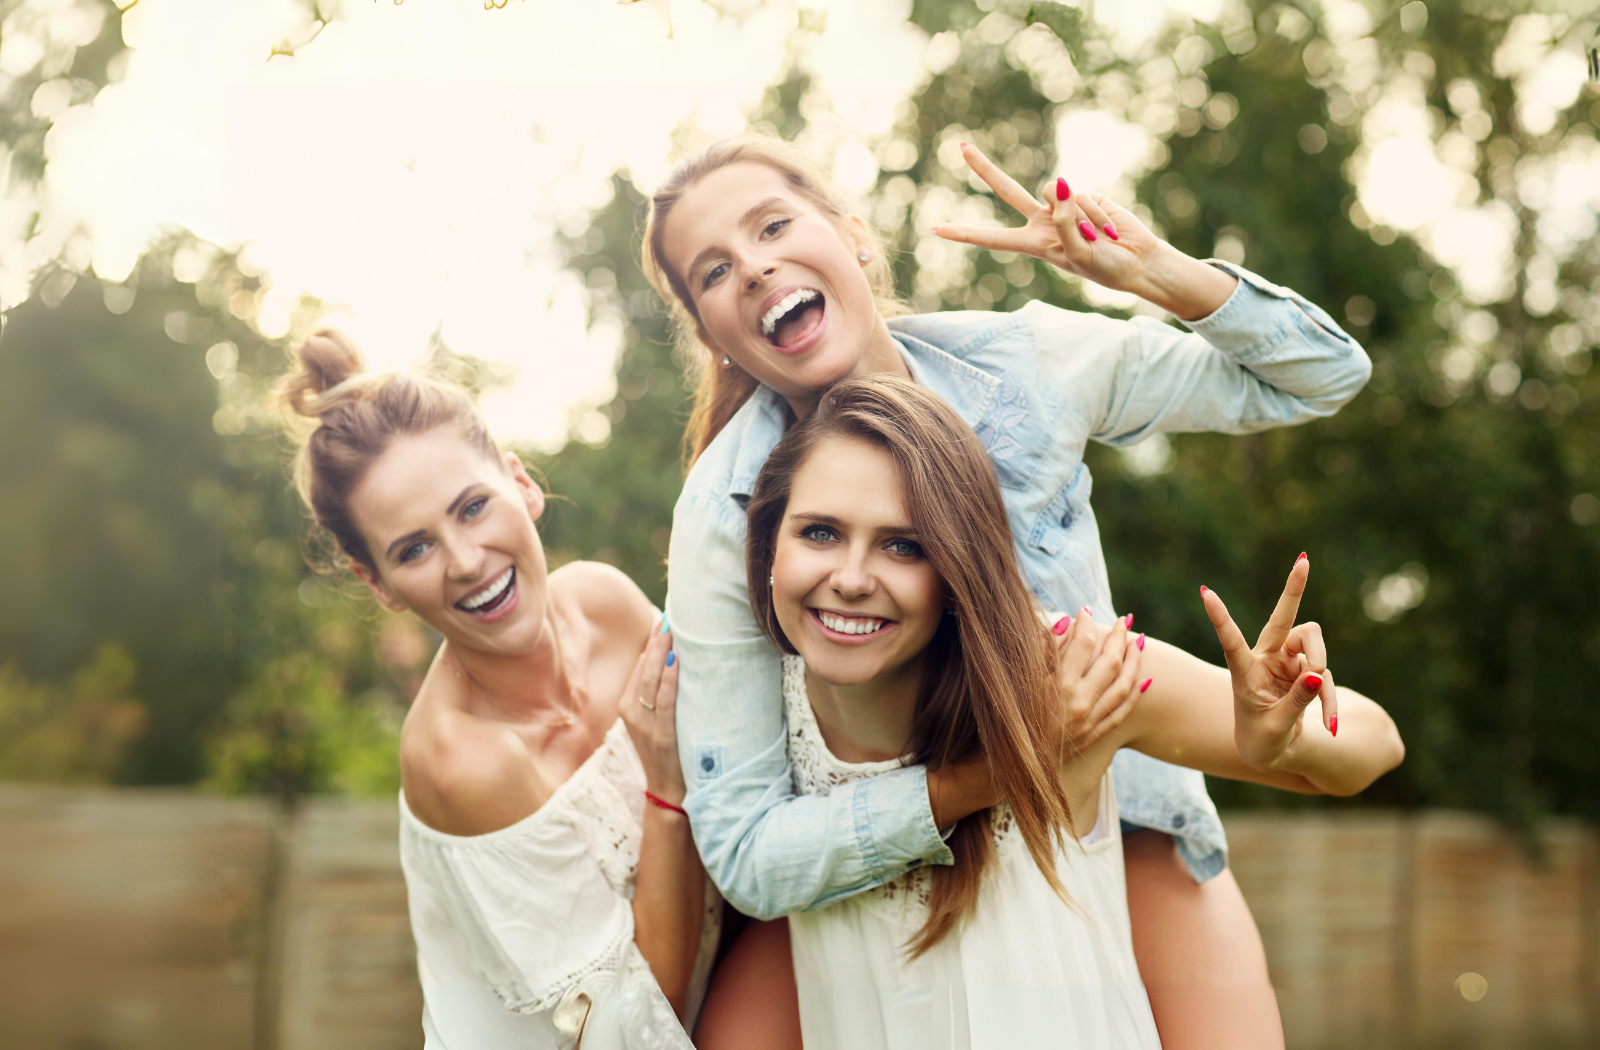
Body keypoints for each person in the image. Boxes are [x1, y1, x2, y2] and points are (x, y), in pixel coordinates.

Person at [643, 135, 1375, 1048]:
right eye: (714, 271)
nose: (753, 268)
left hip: (1106, 805)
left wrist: (1155, 271)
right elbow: (750, 842)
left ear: (855, 235)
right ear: (710, 332)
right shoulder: (724, 510)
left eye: (774, 225)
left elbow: (1325, 375)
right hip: (886, 863)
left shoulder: (1026, 365)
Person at [744, 373, 1404, 1048]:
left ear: (954, 568)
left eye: (903, 545)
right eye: (819, 533)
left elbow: (1376, 742)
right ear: (769, 549)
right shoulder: (747, 721)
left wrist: (1284, 740)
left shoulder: (1067, 673)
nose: (852, 579)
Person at [275, 331, 719, 1049]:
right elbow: (637, 1021)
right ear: (379, 585)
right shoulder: (461, 763)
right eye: (413, 549)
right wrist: (666, 797)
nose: (465, 561)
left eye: (472, 507)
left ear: (522, 484)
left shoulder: (607, 602)